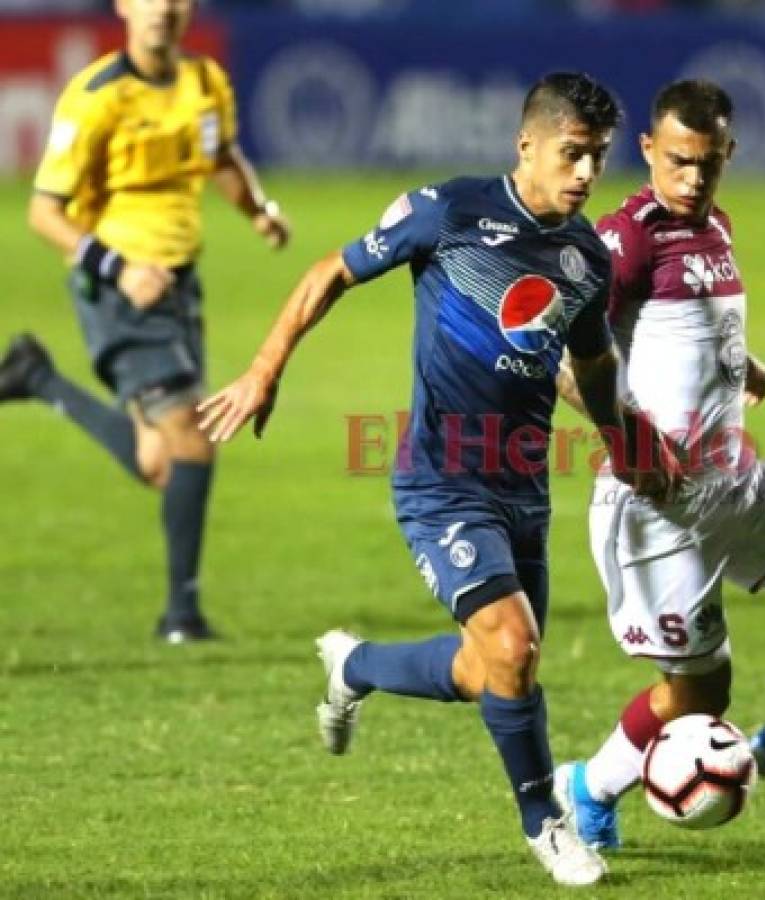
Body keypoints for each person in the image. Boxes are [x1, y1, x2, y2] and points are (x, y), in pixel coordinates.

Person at [198, 73, 677, 887]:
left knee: (488, 670)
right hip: (440, 482)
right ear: (526, 144)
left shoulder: (584, 257)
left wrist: (621, 439)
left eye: (596, 157)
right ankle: (546, 824)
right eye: (572, 154)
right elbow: (328, 273)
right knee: (514, 648)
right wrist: (262, 371)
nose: (587, 173)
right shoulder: (450, 210)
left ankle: (355, 667)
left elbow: (591, 361)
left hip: (523, 487)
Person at [552, 80, 765, 850]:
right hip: (659, 506)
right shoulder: (627, 237)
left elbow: (687, 330)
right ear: (647, 151)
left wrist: (745, 366)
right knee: (700, 690)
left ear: (727, 156)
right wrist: (625, 437)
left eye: (707, 164)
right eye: (677, 161)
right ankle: (587, 786)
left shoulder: (716, 227)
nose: (692, 179)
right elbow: (558, 352)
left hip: (737, 484)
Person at [0, 0, 289, 641]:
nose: (164, 8)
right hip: (119, 289)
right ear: (124, 7)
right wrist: (116, 267)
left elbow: (221, 159)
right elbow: (44, 212)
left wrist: (260, 210)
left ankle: (38, 378)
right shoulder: (95, 97)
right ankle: (180, 615)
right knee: (191, 437)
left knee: (160, 458)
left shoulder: (205, 82)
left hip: (181, 285)